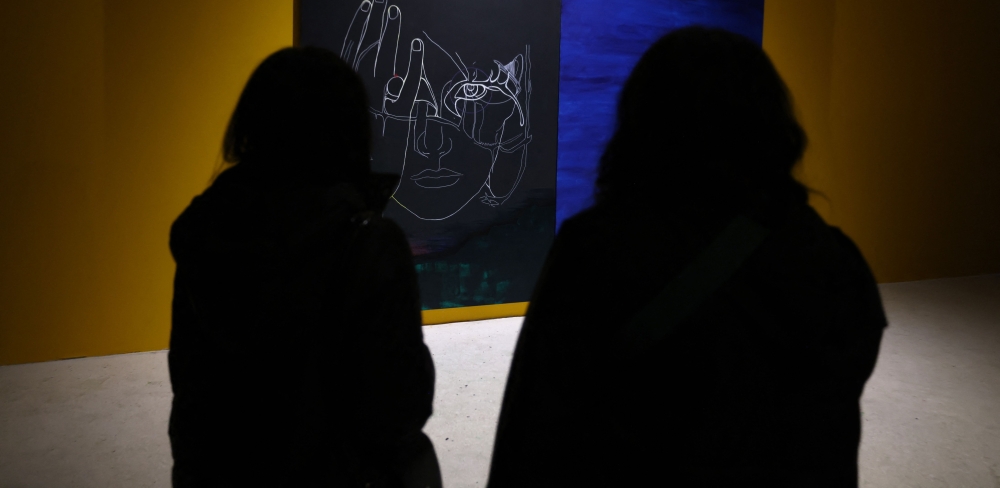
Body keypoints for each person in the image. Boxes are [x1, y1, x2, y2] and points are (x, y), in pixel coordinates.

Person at [487, 27, 887, 487]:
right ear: (773, 127)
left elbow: (536, 432)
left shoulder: (598, 252)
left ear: (643, 126)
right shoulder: (835, 261)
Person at [167, 46, 441, 487]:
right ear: (351, 132)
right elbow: (400, 403)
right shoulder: (365, 243)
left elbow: (191, 386)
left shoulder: (206, 234)